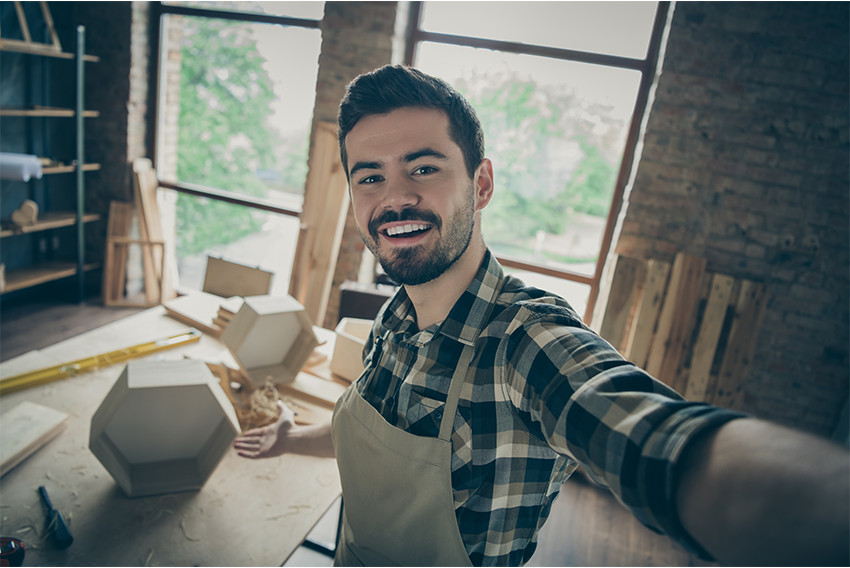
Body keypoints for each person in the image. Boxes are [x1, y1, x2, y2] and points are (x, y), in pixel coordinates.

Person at [235, 65, 850, 567]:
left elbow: (656, 439)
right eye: (370, 177)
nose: (395, 196)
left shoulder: (525, 342)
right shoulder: (396, 315)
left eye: (424, 168)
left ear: (480, 184)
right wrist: (294, 438)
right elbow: (369, 429)